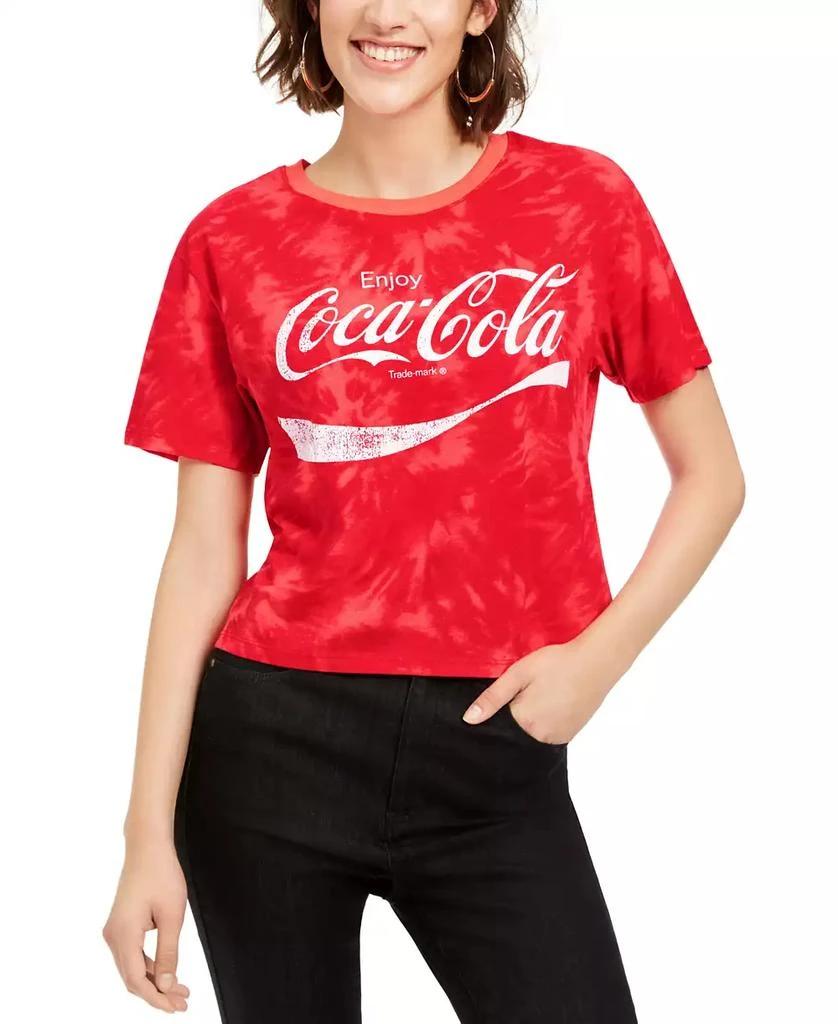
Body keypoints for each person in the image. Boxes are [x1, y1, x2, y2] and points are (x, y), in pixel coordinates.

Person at [102, 1, 745, 1021]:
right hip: (267, 748)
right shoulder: (231, 239)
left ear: (481, 8)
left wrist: (594, 663)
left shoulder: (583, 203)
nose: (387, 13)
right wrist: (145, 832)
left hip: (495, 747)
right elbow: (200, 550)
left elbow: (712, 476)